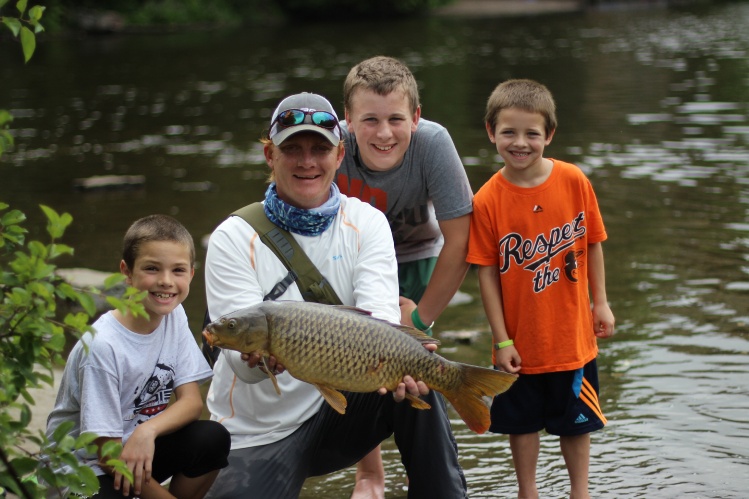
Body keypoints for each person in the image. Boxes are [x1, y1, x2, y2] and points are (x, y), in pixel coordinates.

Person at [203, 91, 468, 499]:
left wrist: (402, 363)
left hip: (342, 413)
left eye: (319, 149)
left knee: (424, 380)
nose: (307, 161)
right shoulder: (232, 237)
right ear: (269, 156)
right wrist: (260, 362)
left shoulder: (368, 222)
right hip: (262, 431)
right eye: (292, 149)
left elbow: (379, 324)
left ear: (340, 154)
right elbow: (242, 366)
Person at [466, 79, 615, 499]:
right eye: (509, 132)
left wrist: (600, 302)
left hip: (572, 338)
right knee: (521, 423)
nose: (520, 142)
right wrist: (501, 340)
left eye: (532, 133)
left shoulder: (572, 180)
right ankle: (527, 491)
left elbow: (593, 242)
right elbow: (487, 273)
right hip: (521, 343)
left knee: (577, 423)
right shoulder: (487, 200)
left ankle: (579, 492)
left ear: (549, 134)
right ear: (491, 131)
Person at [336, 55, 474, 498]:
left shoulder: (433, 143)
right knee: (353, 363)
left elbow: (461, 242)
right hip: (352, 260)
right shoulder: (330, 149)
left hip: (415, 257)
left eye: (396, 119)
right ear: (348, 122)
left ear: (415, 117)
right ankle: (370, 473)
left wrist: (420, 321)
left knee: (418, 369)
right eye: (369, 120)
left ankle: (427, 476)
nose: (383, 133)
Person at [45, 215, 231, 499]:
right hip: (83, 470)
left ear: (191, 274)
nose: (166, 282)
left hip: (136, 450)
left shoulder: (173, 314)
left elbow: (192, 403)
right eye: (152, 269)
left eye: (178, 270)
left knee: (212, 439)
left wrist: (148, 432)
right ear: (127, 271)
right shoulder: (103, 346)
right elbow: (107, 456)